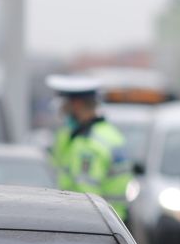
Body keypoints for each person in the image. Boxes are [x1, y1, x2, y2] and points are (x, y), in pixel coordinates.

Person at [46, 75, 132, 220]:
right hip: (113, 221)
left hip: (95, 223)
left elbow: (86, 196)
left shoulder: (88, 144)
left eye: (64, 105)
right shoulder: (110, 134)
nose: (62, 110)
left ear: (77, 105)